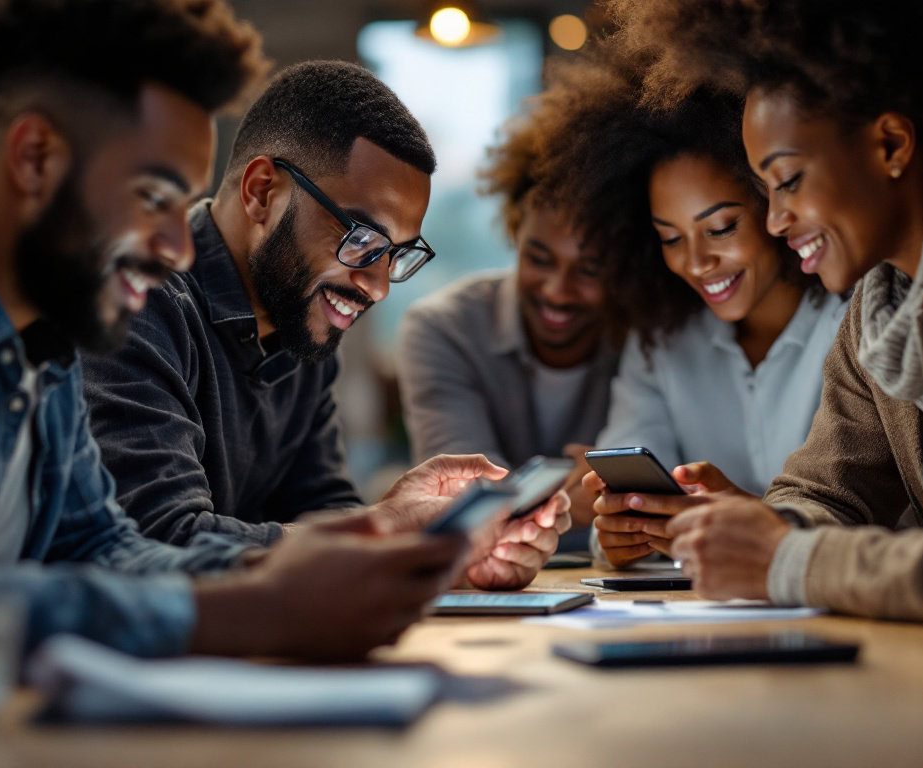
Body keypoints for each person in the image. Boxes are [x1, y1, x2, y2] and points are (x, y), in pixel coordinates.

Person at [0, 0, 477, 707]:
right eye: (153, 197)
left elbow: (102, 545)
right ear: (35, 159)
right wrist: (248, 609)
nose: (179, 247)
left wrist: (295, 566)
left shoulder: (47, 334)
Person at [590, 0, 923, 626]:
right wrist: (752, 527)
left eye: (789, 180)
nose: (776, 220)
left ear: (890, 143)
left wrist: (787, 559)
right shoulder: (882, 299)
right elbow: (825, 494)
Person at [82, 60, 570, 591]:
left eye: (398, 256)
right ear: (262, 192)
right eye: (361, 241)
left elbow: (319, 512)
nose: (379, 287)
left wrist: (444, 552)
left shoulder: (301, 325)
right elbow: (157, 541)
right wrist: (385, 527)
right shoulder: (140, 303)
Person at [553, 64, 844, 568]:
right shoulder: (661, 343)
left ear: (775, 205)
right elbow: (617, 492)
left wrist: (762, 529)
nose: (694, 262)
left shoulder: (847, 323)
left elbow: (876, 510)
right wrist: (619, 531)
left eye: (722, 227)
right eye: (670, 238)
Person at [396, 55, 629, 551]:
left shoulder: (647, 336)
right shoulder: (443, 329)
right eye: (539, 258)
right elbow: (466, 507)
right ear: (513, 233)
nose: (558, 290)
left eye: (589, 269)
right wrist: (588, 503)